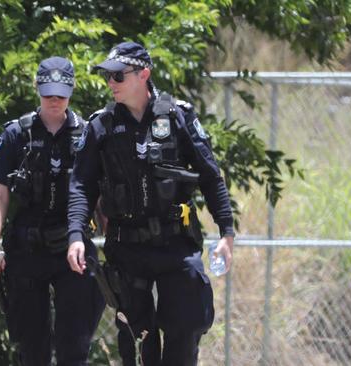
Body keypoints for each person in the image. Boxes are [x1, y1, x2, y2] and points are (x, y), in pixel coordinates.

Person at [66, 41, 235, 366]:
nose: (111, 84)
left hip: (176, 244)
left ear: (144, 74)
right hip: (127, 249)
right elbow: (80, 186)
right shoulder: (102, 125)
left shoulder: (177, 117)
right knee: (137, 343)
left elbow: (210, 176)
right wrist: (76, 234)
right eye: (107, 77)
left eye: (118, 76)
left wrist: (226, 232)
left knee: (185, 332)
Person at [0, 56, 105, 366]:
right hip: (27, 248)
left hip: (73, 246)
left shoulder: (88, 134)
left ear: (72, 91)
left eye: (61, 94)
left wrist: (115, 243)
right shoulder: (17, 134)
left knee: (74, 346)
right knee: (31, 348)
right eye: (48, 93)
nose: (54, 100)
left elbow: (100, 196)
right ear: (37, 88)